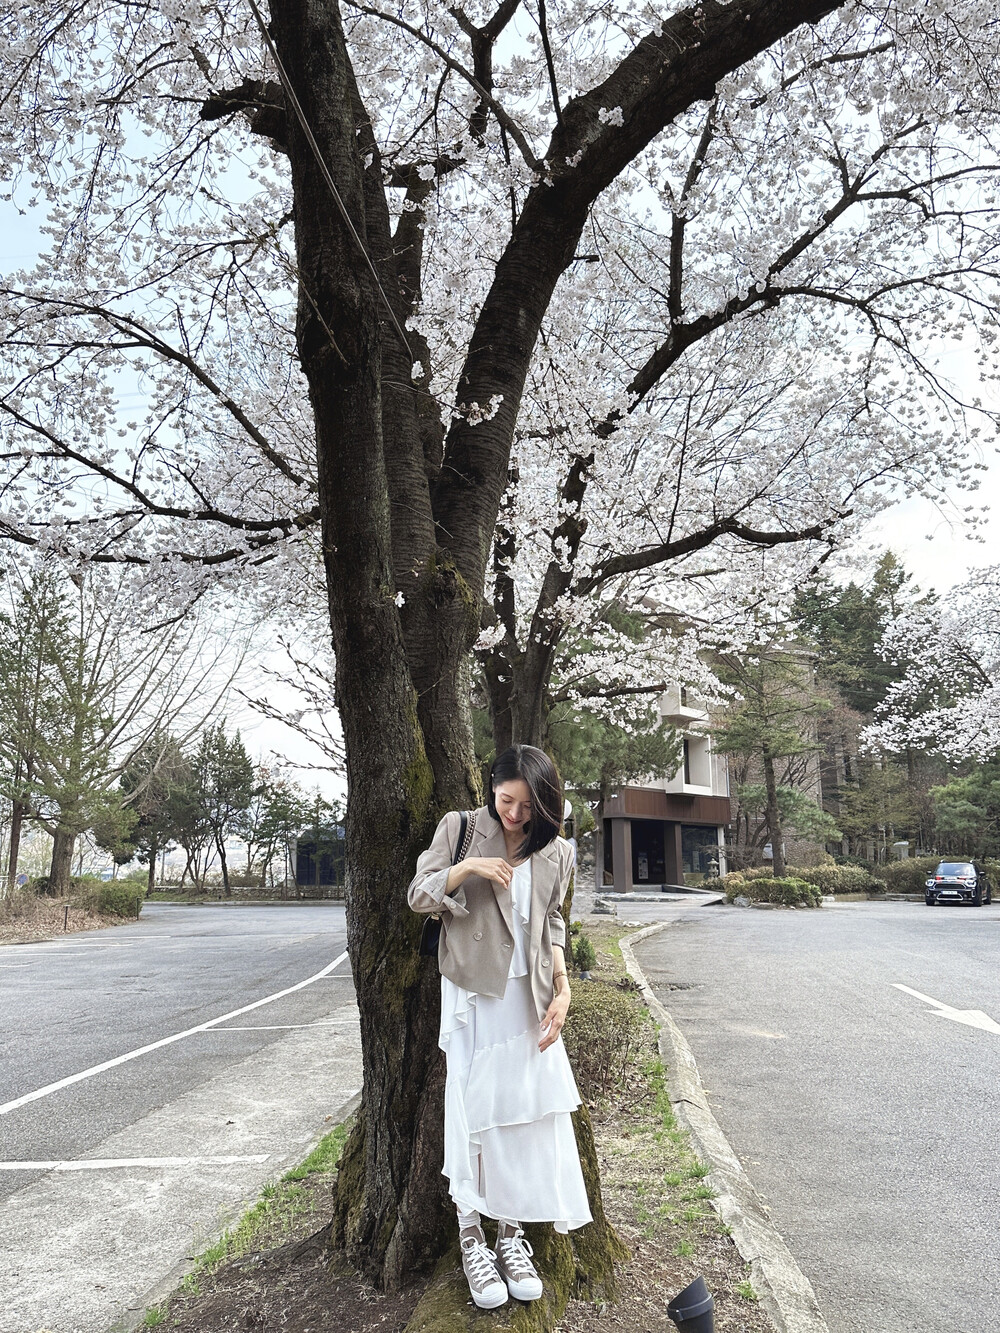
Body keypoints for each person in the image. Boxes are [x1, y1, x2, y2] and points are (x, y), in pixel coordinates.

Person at [407, 744, 591, 1308]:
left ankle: (510, 1236)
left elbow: (552, 921)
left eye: (527, 806)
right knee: (471, 1109)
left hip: (528, 997)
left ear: (546, 804)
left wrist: (563, 987)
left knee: (521, 1115)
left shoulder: (557, 851)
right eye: (506, 800)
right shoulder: (460, 827)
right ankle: (471, 1237)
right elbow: (417, 895)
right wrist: (467, 868)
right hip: (473, 993)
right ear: (492, 788)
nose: (513, 814)